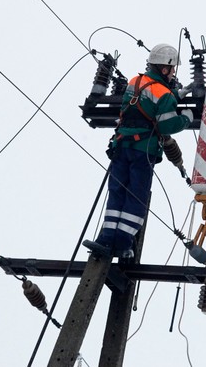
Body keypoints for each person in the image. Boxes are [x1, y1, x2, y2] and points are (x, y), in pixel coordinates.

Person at [83, 43, 193, 259]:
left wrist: (176, 94)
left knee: (117, 191)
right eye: (172, 70)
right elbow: (166, 125)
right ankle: (123, 243)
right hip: (143, 150)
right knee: (136, 195)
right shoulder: (164, 94)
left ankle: (106, 238)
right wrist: (186, 118)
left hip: (121, 146)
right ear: (164, 69)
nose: (173, 74)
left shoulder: (135, 82)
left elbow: (148, 100)